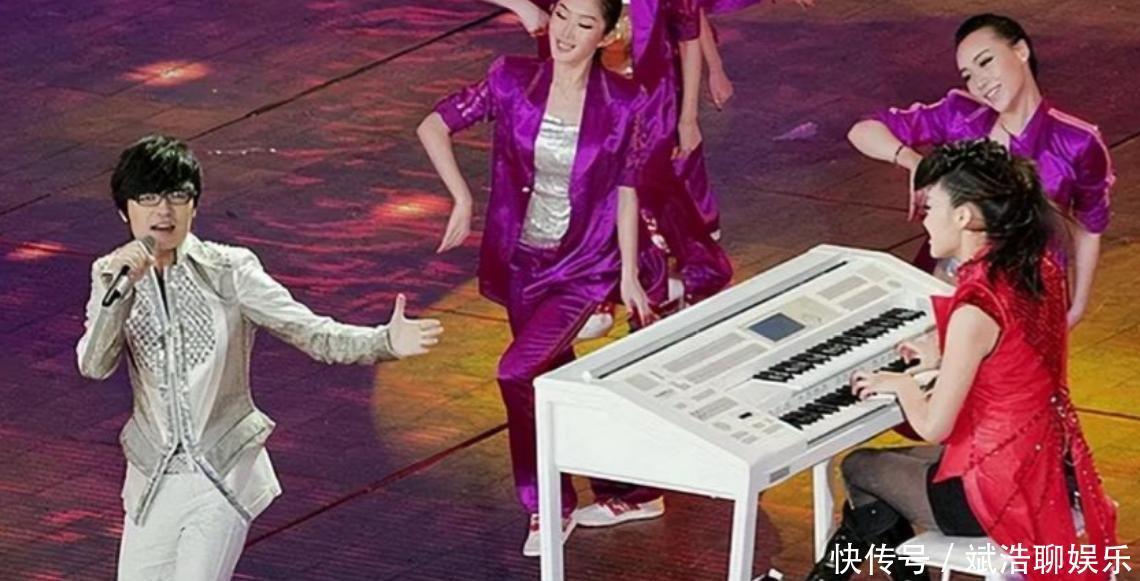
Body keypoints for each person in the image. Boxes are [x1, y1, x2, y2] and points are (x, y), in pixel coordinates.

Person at [77, 135, 443, 580]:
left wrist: (384, 341)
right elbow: (94, 364)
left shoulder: (229, 270)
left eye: (177, 196)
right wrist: (119, 292)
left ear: (195, 205)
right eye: (149, 198)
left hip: (222, 472)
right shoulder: (109, 274)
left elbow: (311, 332)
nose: (164, 211)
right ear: (125, 210)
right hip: (152, 480)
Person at [417, 0, 669, 556]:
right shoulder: (510, 79)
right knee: (556, 380)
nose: (567, 33)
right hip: (522, 264)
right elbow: (433, 125)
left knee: (516, 373)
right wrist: (461, 198)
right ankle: (631, 492)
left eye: (585, 24)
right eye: (562, 15)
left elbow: (628, 187)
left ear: (608, 35)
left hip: (584, 265)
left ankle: (547, 505)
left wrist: (628, 272)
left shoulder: (625, 101)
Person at [804, 140, 1117, 581]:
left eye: (930, 207)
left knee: (859, 468)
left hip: (1002, 492)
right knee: (893, 471)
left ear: (964, 216)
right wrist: (946, 353)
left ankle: (836, 576)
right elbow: (1016, 352)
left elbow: (935, 426)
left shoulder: (976, 309)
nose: (922, 219)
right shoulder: (1039, 268)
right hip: (1049, 464)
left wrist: (902, 384)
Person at [848, 13, 1113, 328]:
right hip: (946, 288)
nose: (980, 83)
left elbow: (1089, 227)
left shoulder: (1077, 141)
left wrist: (1076, 308)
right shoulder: (960, 115)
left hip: (1025, 299)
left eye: (986, 62)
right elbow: (863, 130)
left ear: (1020, 50)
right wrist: (917, 163)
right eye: (968, 75)